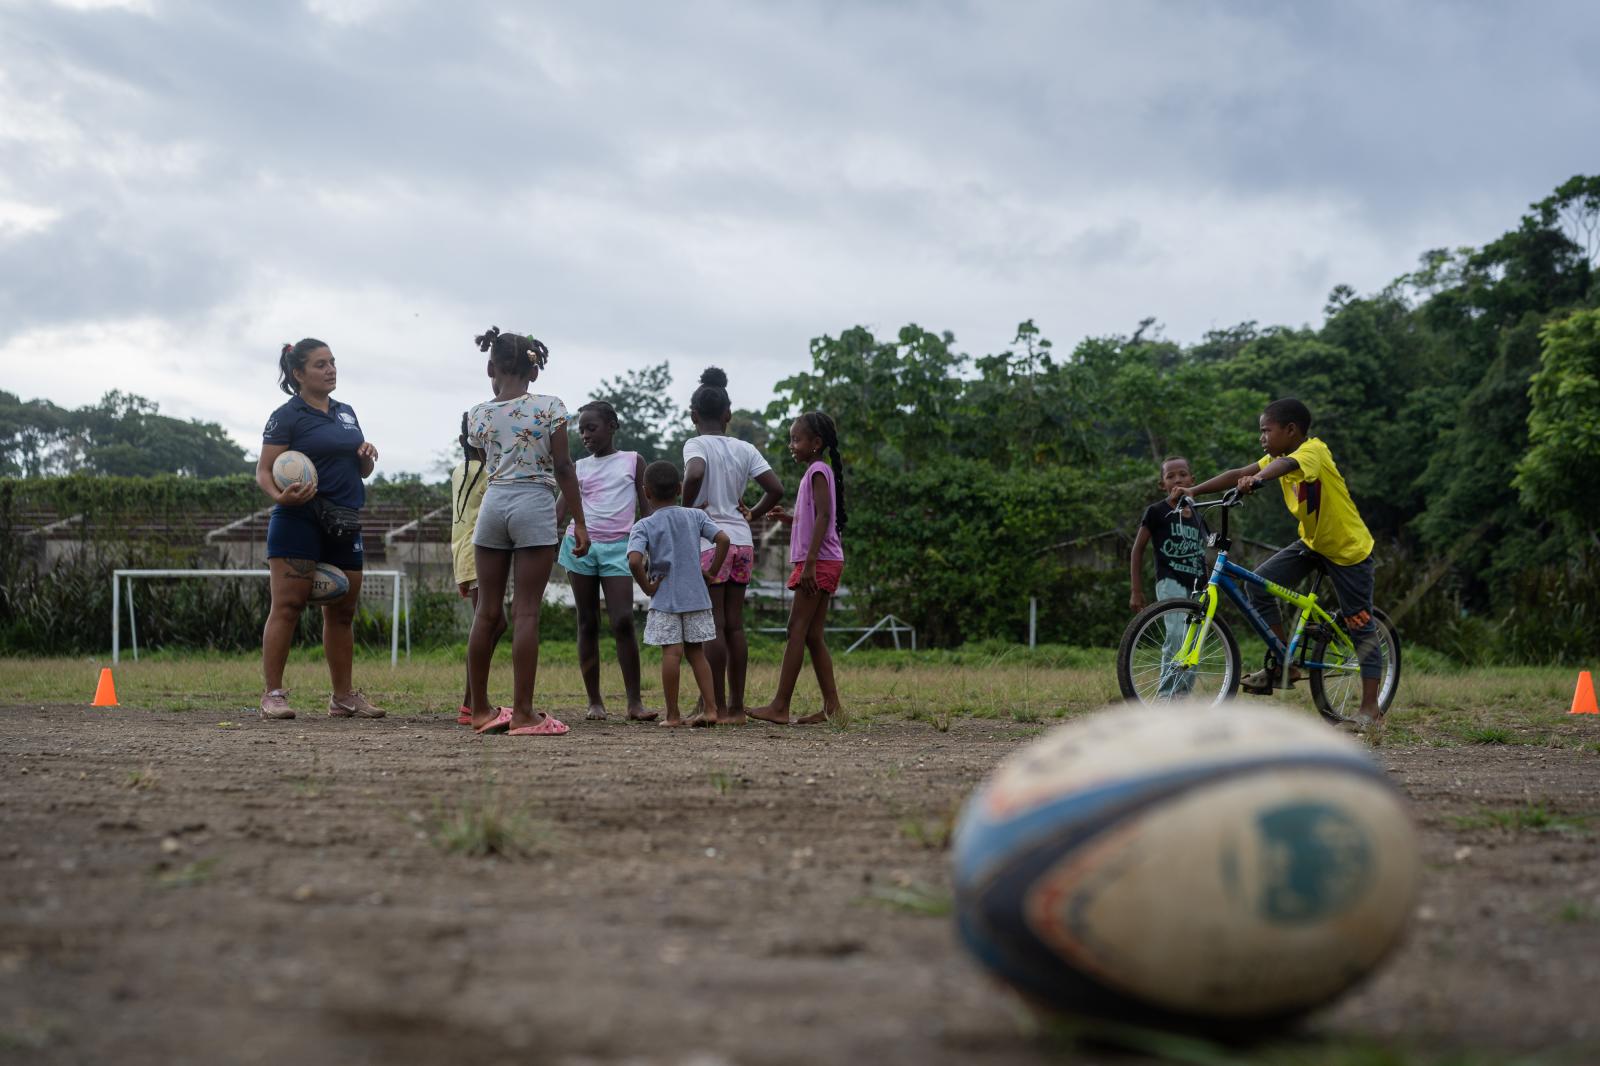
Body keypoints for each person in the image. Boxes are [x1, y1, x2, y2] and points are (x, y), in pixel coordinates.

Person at [1189, 398, 1384, 728]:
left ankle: (1370, 710)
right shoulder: (1274, 457)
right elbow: (1239, 472)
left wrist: (1259, 480)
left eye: (1266, 430)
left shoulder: (1313, 451)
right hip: (1312, 544)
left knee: (1359, 624)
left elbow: (1282, 467)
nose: (1262, 438)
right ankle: (1285, 663)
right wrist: (1191, 490)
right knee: (1257, 585)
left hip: (1348, 550)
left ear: (1291, 430)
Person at [464, 326, 589, 736]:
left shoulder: (477, 414)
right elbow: (564, 467)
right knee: (526, 612)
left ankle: (480, 710)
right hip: (534, 503)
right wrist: (579, 521)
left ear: (491, 367)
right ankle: (523, 714)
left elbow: (487, 458)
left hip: (494, 505)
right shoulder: (550, 407)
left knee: (487, 611)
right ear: (533, 371)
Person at [255, 338, 385, 721]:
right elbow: (264, 471)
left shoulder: (346, 413)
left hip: (344, 519)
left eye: (332, 363)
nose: (330, 370)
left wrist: (365, 458)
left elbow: (360, 471)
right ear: (298, 373)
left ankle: (343, 697)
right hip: (299, 519)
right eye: (320, 364)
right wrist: (281, 497)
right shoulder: (287, 415)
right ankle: (273, 695)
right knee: (288, 606)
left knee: (343, 611)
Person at [680, 367, 784, 724]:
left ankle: (716, 707)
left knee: (713, 624)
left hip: (711, 544)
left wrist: (685, 510)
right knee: (735, 626)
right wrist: (753, 513)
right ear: (728, 414)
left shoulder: (695, 444)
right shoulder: (745, 448)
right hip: (741, 542)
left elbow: (694, 474)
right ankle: (737, 709)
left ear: (694, 415)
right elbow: (776, 488)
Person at [555, 400, 653, 721]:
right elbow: (560, 511)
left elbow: (645, 507)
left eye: (591, 428)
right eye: (581, 429)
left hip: (619, 547)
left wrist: (652, 544)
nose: (585, 434)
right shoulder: (578, 467)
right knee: (587, 622)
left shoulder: (632, 461)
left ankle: (634, 702)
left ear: (612, 426)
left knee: (623, 620)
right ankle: (594, 701)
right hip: (580, 547)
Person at [750, 412, 846, 726]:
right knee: (813, 635)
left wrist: (811, 564)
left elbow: (823, 517)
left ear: (816, 443)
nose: (792, 445)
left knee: (796, 630)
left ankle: (780, 706)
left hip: (818, 562)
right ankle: (832, 707)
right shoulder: (816, 471)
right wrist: (788, 520)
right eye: (792, 439)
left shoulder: (818, 470)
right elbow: (814, 517)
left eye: (797, 439)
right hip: (826, 559)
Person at [627, 461, 730, 728]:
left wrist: (647, 588)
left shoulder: (644, 526)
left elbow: (635, 561)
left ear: (646, 492)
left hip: (664, 601)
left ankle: (673, 715)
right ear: (680, 489)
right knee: (697, 654)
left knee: (672, 654)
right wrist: (711, 572)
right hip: (696, 596)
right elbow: (723, 540)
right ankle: (710, 709)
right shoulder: (695, 516)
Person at [1128, 456, 1209, 698]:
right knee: (1175, 635)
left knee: (1194, 642)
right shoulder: (1156, 512)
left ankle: (1181, 696)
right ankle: (1166, 697)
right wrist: (1136, 589)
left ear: (1192, 480)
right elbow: (1138, 549)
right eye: (1170, 476)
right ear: (1162, 484)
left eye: (1183, 474)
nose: (1177, 479)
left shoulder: (1198, 515)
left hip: (1198, 585)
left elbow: (1206, 550)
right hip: (1170, 580)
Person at [450, 411, 498, 725]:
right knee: (489, 622)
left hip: (463, 555)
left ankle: (472, 699)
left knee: (495, 622)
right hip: (478, 552)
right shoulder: (488, 473)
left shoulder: (459, 471)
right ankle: (471, 703)